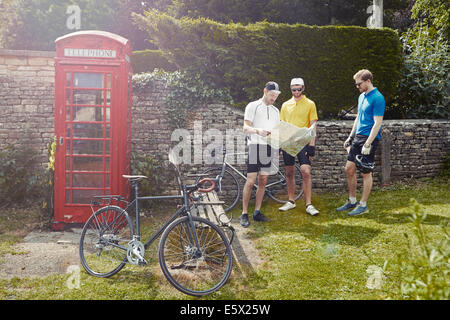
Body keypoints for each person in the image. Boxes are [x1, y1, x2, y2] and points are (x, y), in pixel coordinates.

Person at [337, 69, 385, 216]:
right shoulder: (361, 96)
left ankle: (363, 205)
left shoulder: (378, 98)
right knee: (349, 169)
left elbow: (377, 123)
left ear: (368, 81)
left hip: (369, 138)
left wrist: (368, 143)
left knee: (365, 172)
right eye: (356, 84)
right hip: (358, 137)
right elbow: (358, 118)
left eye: (359, 84)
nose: (357, 86)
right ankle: (352, 201)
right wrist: (350, 137)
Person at [240, 81, 281, 228]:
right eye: (271, 95)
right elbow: (245, 127)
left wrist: (278, 148)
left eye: (276, 96)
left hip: (269, 147)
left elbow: (277, 131)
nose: (273, 98)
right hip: (255, 146)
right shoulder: (253, 106)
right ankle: (244, 213)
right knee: (251, 181)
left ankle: (257, 212)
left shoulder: (276, 111)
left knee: (263, 180)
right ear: (265, 91)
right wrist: (258, 131)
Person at [278, 78, 319, 216]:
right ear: (291, 89)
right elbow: (282, 126)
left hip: (303, 142)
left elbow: (313, 125)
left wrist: (311, 146)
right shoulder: (285, 105)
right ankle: (291, 201)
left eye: (298, 89)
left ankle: (308, 204)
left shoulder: (310, 104)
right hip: (288, 143)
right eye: (293, 89)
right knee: (289, 172)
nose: (296, 92)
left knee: (305, 172)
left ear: (303, 88)